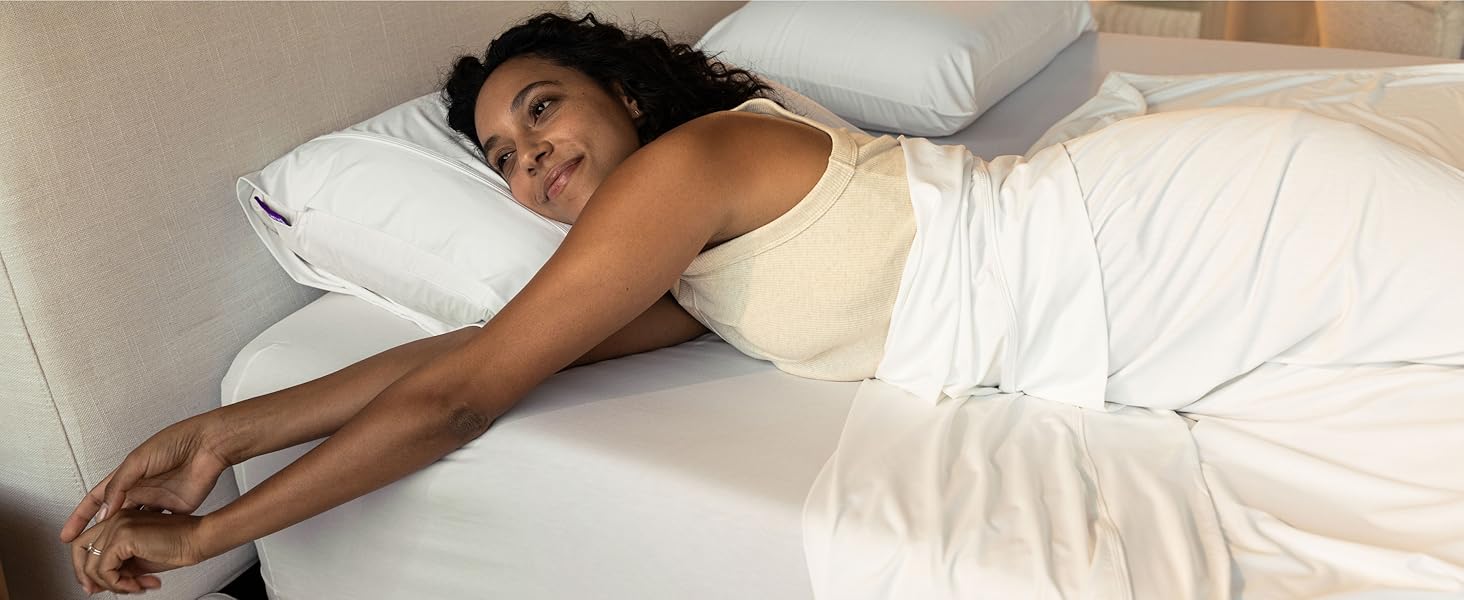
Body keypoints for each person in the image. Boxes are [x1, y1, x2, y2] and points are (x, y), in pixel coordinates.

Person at [58, 11, 1464, 596]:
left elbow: (461, 400)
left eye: (541, 109)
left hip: (1197, 231)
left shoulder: (690, 165)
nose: (531, 159)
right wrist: (223, 425)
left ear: (620, 92)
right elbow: (488, 352)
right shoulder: (681, 260)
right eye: (501, 158)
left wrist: (220, 530)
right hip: (1151, 289)